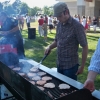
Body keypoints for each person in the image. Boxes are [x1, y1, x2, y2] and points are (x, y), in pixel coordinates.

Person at [44, 2, 88, 80]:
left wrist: (82, 66)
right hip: (59, 63)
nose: (58, 19)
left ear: (66, 12)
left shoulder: (77, 26)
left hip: (70, 67)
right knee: (60, 88)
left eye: (60, 16)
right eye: (56, 17)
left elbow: (85, 46)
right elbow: (57, 41)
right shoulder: (59, 24)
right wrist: (49, 47)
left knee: (69, 91)